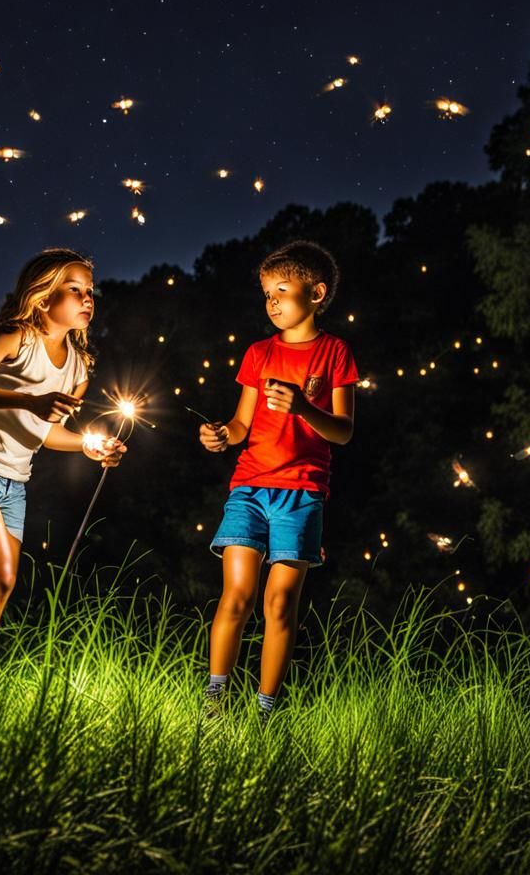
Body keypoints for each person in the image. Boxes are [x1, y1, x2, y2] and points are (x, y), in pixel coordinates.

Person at [0, 247, 124, 708]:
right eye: (74, 289)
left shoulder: (79, 367)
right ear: (43, 297)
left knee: (1, 585)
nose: (87, 298)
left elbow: (50, 433)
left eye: (90, 291)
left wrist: (87, 444)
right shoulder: (15, 338)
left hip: (14, 482)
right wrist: (28, 401)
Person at [199, 239, 358, 722]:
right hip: (249, 486)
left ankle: (266, 710)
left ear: (316, 293)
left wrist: (305, 407)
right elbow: (242, 423)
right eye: (266, 292)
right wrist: (221, 435)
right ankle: (214, 702)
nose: (271, 301)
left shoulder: (335, 352)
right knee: (237, 595)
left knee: (280, 601)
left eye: (282, 290)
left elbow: (344, 431)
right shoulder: (258, 353)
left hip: (304, 491)